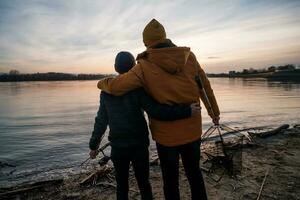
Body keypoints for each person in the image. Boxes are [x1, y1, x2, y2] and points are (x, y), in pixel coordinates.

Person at [97, 19, 221, 200]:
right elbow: (204, 87)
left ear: (146, 43)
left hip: (166, 136)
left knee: (170, 181)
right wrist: (214, 113)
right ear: (164, 37)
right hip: (192, 130)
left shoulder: (144, 67)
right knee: (194, 174)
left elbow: (116, 87)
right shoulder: (189, 57)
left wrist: (101, 82)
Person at [89, 51, 200, 200]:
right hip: (139, 146)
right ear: (134, 67)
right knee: (144, 184)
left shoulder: (106, 92)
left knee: (122, 187)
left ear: (115, 68)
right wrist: (187, 111)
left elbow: (101, 121)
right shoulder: (138, 89)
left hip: (118, 147)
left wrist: (94, 145)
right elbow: (157, 111)